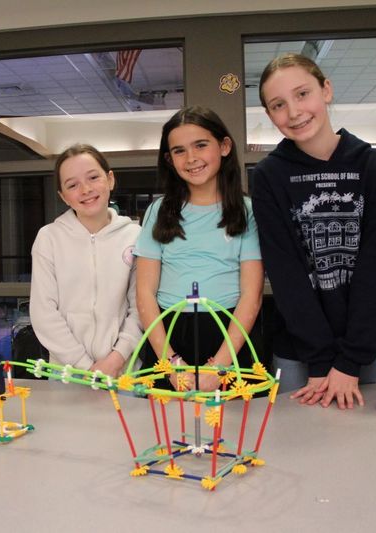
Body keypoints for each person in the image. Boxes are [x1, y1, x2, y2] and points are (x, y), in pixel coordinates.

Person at [251, 53, 376, 409]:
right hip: (299, 353)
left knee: (359, 450)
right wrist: (320, 359)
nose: (294, 112)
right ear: (271, 115)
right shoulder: (269, 176)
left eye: (302, 94)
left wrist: (348, 362)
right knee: (299, 451)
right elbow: (286, 274)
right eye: (278, 105)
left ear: (326, 90)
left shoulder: (374, 166)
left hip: (362, 351)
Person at [134, 106, 264, 392]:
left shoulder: (247, 212)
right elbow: (144, 292)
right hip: (168, 337)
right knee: (164, 431)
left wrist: (220, 366)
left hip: (230, 337)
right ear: (169, 160)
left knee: (232, 431)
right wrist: (170, 364)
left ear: (224, 146)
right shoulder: (158, 210)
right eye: (179, 151)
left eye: (201, 145)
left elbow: (251, 295)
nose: (191, 158)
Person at [30, 144, 142, 377]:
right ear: (63, 196)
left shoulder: (135, 236)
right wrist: (84, 366)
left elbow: (141, 307)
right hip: (67, 375)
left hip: (123, 373)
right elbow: (44, 312)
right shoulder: (49, 238)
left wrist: (116, 359)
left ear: (110, 179)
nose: (86, 189)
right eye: (72, 185)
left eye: (93, 177)